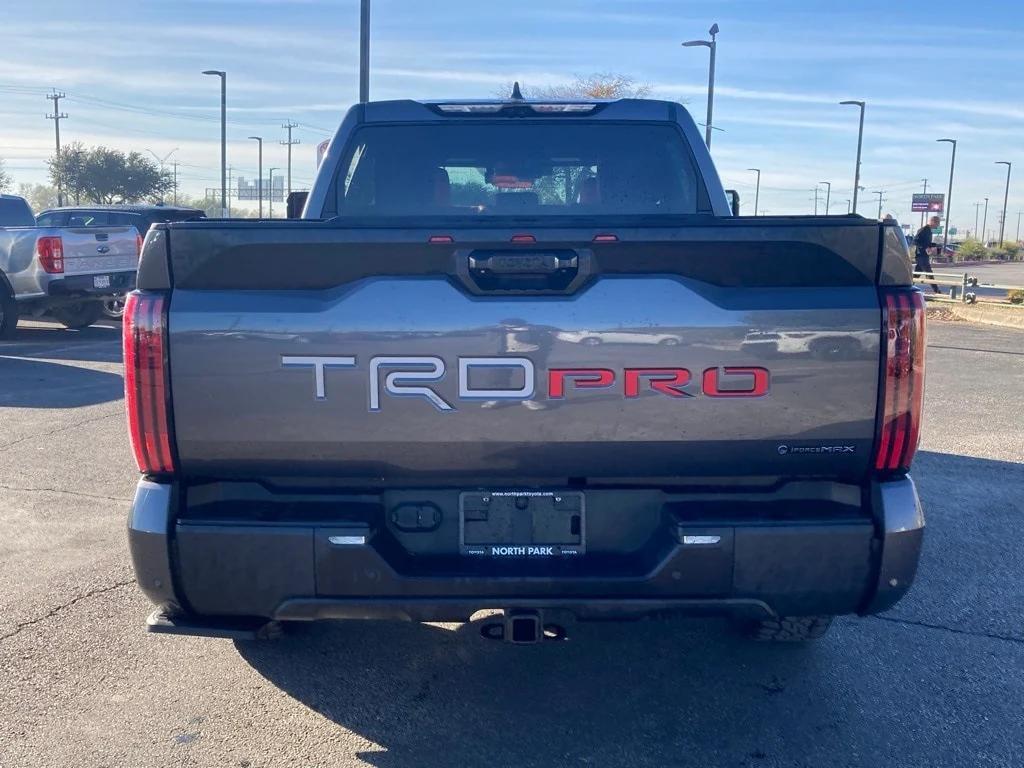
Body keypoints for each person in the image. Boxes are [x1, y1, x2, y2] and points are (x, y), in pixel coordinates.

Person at [914, 216, 942, 294]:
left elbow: (926, 243)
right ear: (933, 221)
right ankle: (937, 291)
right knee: (929, 273)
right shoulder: (923, 229)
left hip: (924, 255)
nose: (938, 225)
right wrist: (925, 247)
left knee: (916, 274)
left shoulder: (929, 231)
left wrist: (934, 245)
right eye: (938, 223)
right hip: (921, 256)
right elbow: (915, 241)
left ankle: (907, 287)